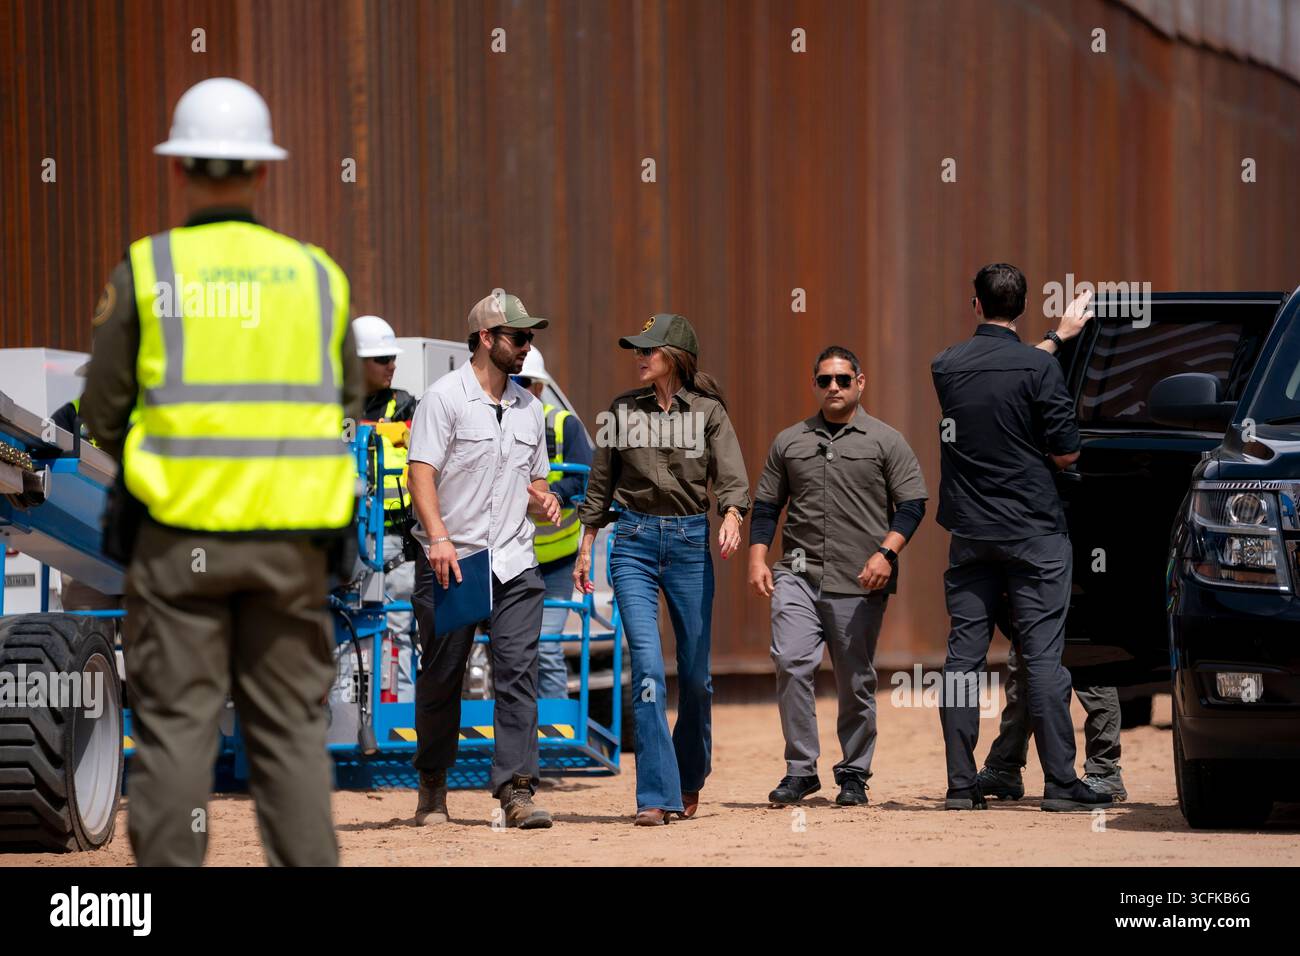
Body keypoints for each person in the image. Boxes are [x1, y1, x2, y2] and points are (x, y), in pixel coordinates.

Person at [81, 77, 361, 865]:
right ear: (261, 171)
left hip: (177, 544)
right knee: (290, 737)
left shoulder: (146, 269)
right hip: (294, 547)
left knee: (175, 733)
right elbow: (339, 398)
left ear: (179, 168)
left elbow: (102, 412)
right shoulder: (316, 277)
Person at [930, 262, 1106, 812]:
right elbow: (1066, 452)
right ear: (1023, 307)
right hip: (1034, 531)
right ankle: (1060, 785)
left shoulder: (946, 367)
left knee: (962, 661)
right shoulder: (1037, 369)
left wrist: (1053, 341)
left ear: (974, 305)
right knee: (1043, 658)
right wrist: (1057, 341)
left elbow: (997, 370)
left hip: (971, 533)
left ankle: (962, 787)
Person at [574, 313, 749, 826]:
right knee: (648, 669)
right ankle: (655, 794)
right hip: (631, 544)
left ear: (674, 356)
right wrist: (587, 546)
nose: (639, 357)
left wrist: (734, 515)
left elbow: (733, 476)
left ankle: (689, 776)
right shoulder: (620, 411)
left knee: (695, 677)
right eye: (637, 350)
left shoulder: (710, 412)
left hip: (691, 543)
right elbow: (600, 486)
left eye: (648, 350)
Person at [406, 291, 561, 829]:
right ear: (487, 338)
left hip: (515, 561)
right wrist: (439, 537)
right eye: (518, 337)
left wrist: (544, 498)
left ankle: (517, 791)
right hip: (455, 559)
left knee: (518, 674)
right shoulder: (443, 399)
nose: (526, 346)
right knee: (442, 678)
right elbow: (420, 473)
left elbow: (534, 480)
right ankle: (432, 783)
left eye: (529, 338)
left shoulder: (531, 409)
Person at [748, 345, 928, 808]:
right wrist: (757, 557)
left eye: (843, 380)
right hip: (798, 575)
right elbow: (767, 506)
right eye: (825, 380)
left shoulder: (886, 440)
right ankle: (801, 770)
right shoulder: (790, 441)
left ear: (860, 383)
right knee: (791, 662)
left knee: (855, 680)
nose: (834, 387)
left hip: (860, 579)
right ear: (815, 385)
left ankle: (854, 772)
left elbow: (912, 505)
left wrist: (886, 554)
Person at [514, 347, 593, 700]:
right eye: (515, 381)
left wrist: (552, 496)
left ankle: (557, 731)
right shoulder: (495, 423)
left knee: (545, 646)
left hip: (557, 562)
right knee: (512, 653)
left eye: (526, 382)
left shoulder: (564, 426)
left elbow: (584, 480)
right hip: (512, 561)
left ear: (540, 388)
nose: (519, 388)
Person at [353, 314, 419, 702]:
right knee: (346, 630)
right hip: (348, 539)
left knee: (397, 630)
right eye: (381, 359)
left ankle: (401, 720)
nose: (391, 365)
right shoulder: (332, 407)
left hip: (395, 539)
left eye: (392, 358)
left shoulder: (406, 405)